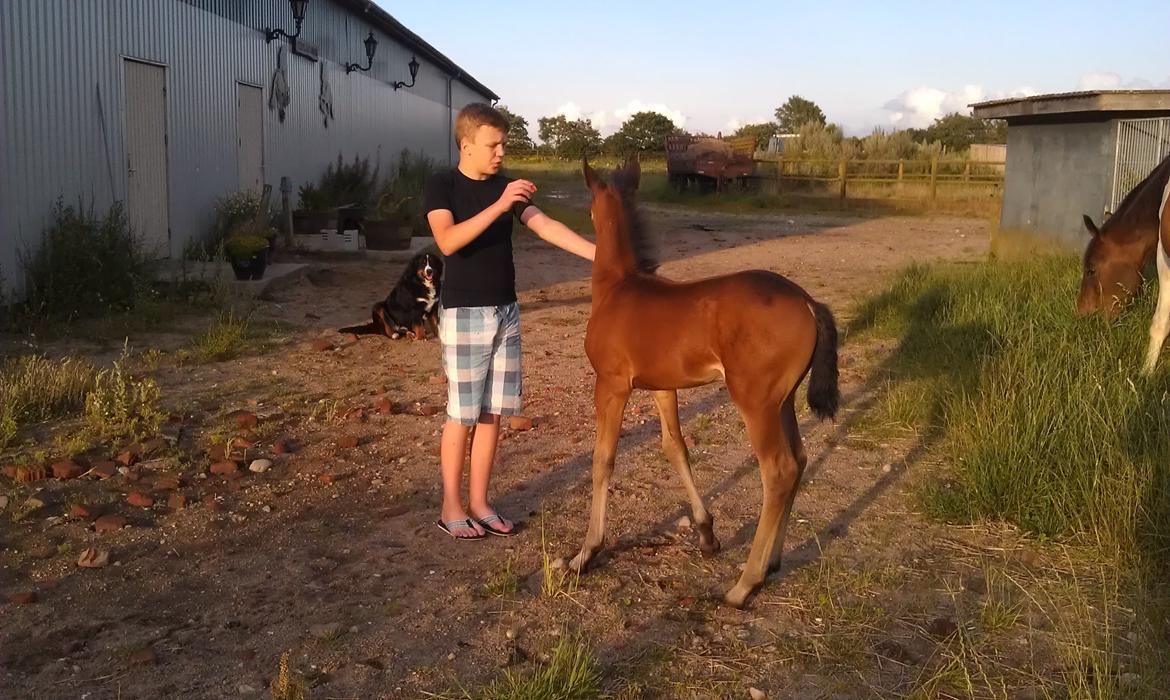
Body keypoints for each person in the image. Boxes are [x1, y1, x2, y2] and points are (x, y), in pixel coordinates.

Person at [423, 103, 596, 540]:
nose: (501, 152)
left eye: (504, 144)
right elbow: (448, 240)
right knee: (461, 414)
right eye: (492, 145)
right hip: (464, 313)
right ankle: (451, 506)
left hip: (506, 311)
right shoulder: (442, 186)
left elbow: (545, 225)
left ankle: (480, 502)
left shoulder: (507, 189)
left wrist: (603, 256)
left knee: (492, 413)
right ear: (466, 146)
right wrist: (500, 206)